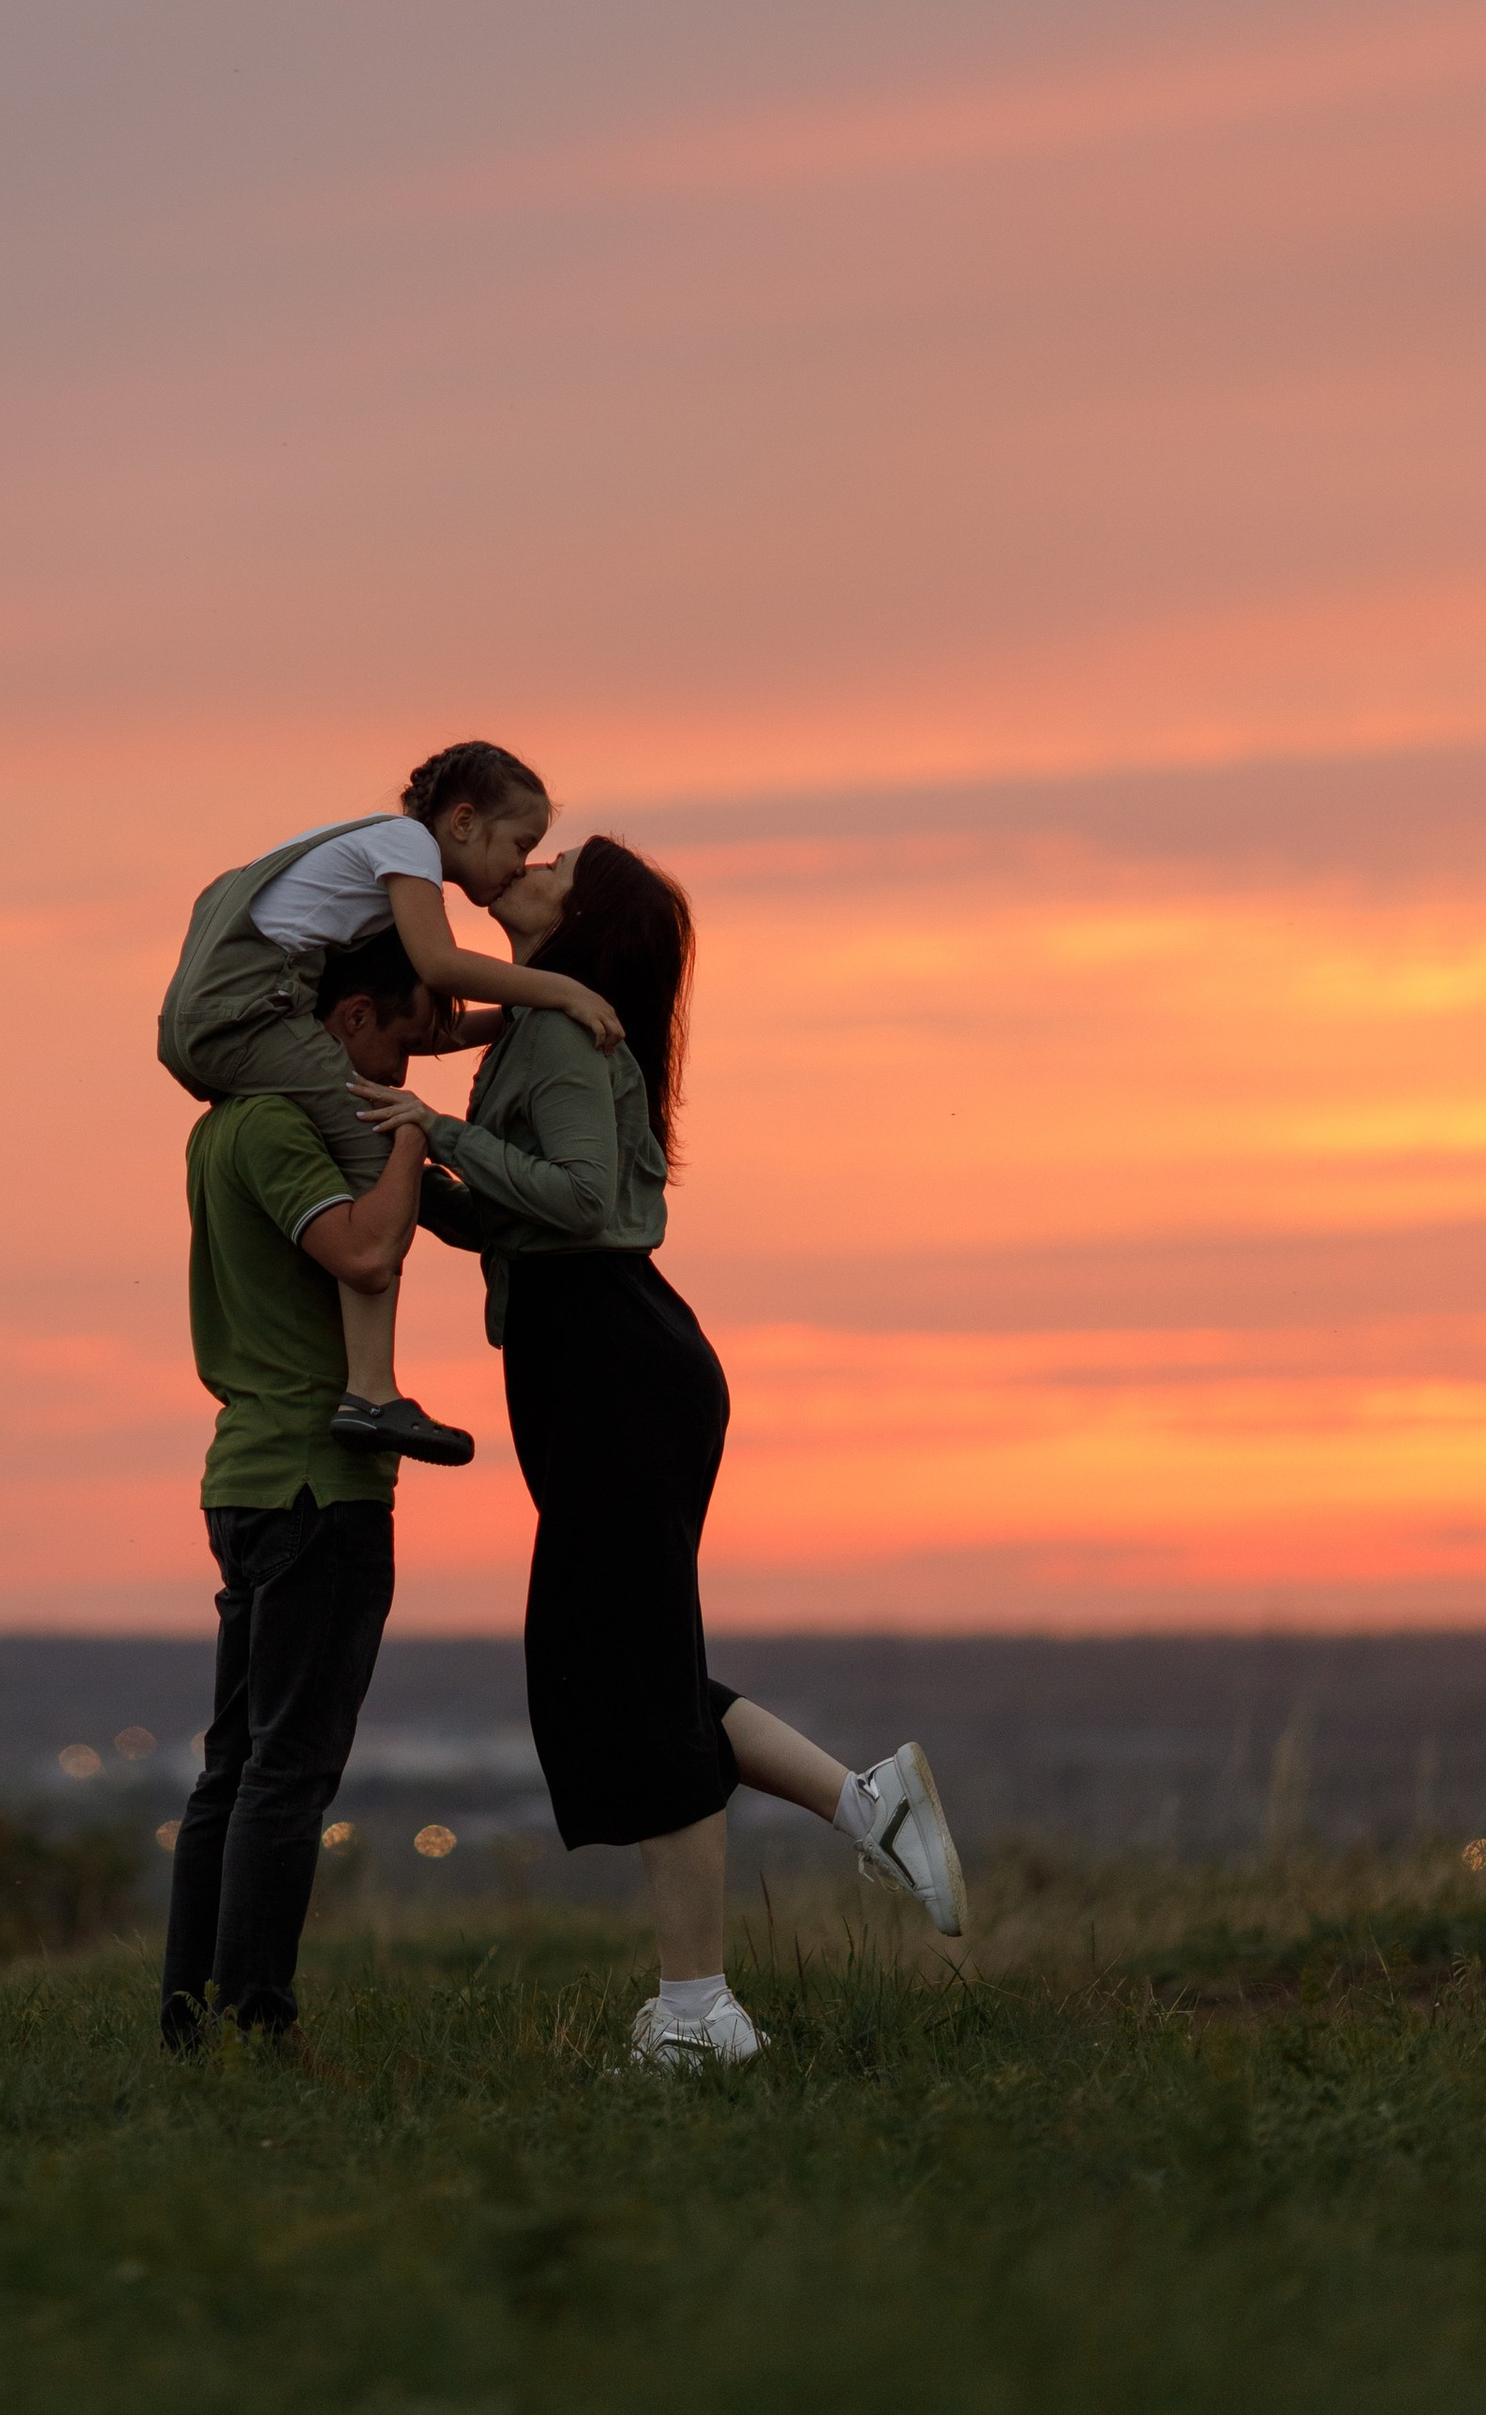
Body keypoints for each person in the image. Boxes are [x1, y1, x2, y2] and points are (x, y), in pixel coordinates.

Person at [353, 833, 968, 2070]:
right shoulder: (533, 1031)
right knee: (604, 1665)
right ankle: (864, 1804)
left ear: (579, 925)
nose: (521, 869)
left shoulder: (571, 1042)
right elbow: (527, 1217)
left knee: (621, 1671)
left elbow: (578, 1202)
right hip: (592, 1360)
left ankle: (700, 2013)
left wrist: (438, 1129)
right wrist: (413, 1163)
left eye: (552, 870)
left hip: (613, 1362)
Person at [157, 743, 624, 1461]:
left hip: (209, 1019)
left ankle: (379, 1346)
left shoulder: (350, 858)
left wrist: (524, 1018)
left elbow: (416, 1026)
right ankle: (372, 1393)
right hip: (249, 1010)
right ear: (463, 822)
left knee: (362, 1114)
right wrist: (564, 989)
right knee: (377, 1137)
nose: (519, 864)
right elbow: (440, 965)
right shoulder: (405, 844)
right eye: (520, 844)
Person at [160, 926, 442, 2049]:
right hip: (313, 1483)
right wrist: (414, 1139)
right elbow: (364, 1254)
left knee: (232, 1767)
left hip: (250, 1474)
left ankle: (191, 2017)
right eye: (399, 1049)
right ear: (346, 1021)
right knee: (288, 1771)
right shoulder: (283, 1126)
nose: (400, 1081)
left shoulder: (219, 1125)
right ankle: (255, 2022)